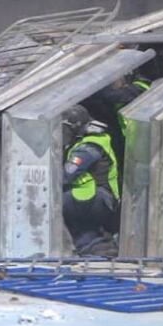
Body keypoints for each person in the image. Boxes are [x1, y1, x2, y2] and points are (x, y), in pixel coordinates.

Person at [61, 104, 120, 257]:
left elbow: (68, 173)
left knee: (51, 204)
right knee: (85, 235)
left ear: (75, 127)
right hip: (95, 199)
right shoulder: (89, 141)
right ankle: (95, 247)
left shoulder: (89, 146)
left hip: (92, 197)